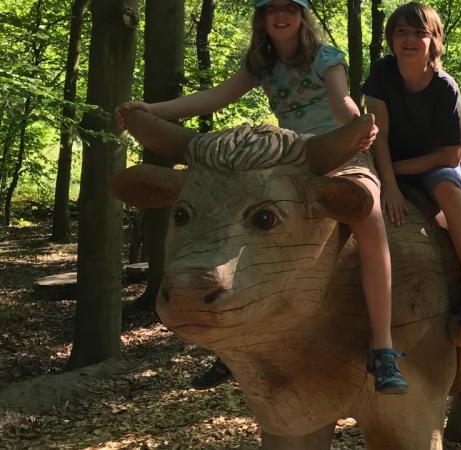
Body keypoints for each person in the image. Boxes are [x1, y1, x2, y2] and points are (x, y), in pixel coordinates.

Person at [117, 0, 408, 395]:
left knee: (368, 213)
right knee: (231, 215)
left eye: (290, 8)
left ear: (302, 15)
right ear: (263, 20)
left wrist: (355, 127)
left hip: (338, 154)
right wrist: (154, 109)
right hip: (288, 160)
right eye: (272, 10)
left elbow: (341, 101)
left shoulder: (326, 57)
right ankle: (231, 343)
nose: (281, 15)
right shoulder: (262, 63)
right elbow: (215, 97)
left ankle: (383, 344)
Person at [362, 2, 461, 325]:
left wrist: (394, 174)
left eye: (419, 33)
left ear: (434, 40)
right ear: (391, 39)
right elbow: (379, 132)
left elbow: (452, 154)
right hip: (385, 158)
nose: (409, 39)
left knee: (449, 189)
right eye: (401, 32)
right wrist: (388, 184)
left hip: (433, 163)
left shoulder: (445, 87)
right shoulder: (382, 72)